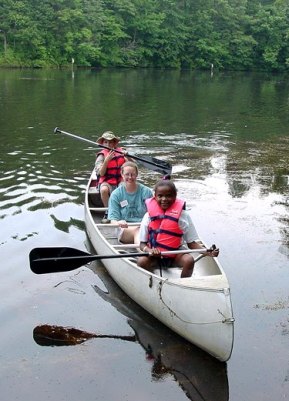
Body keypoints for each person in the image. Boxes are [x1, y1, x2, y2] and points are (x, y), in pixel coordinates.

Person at [137, 179, 219, 278]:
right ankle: (151, 280)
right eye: (160, 196)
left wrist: (208, 252)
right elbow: (142, 244)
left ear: (175, 196)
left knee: (189, 260)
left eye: (168, 196)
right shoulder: (148, 216)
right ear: (155, 197)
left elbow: (191, 244)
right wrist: (149, 250)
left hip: (176, 254)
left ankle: (183, 283)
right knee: (141, 262)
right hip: (154, 255)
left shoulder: (183, 216)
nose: (164, 199)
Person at [107, 161, 153, 244]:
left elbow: (153, 214)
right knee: (138, 231)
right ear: (122, 175)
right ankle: (144, 251)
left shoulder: (146, 192)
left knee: (143, 230)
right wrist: (118, 222)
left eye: (133, 174)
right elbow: (113, 220)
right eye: (127, 174)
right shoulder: (116, 194)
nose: (130, 177)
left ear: (137, 175)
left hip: (145, 226)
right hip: (125, 228)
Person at [94, 131, 127, 222]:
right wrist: (107, 161)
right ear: (102, 143)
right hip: (106, 181)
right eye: (105, 142)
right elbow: (101, 173)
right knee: (104, 190)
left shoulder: (121, 152)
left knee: (124, 188)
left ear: (114, 143)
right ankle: (108, 212)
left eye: (110, 142)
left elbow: (131, 167)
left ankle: (124, 209)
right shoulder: (101, 156)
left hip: (119, 179)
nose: (108, 144)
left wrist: (128, 157)